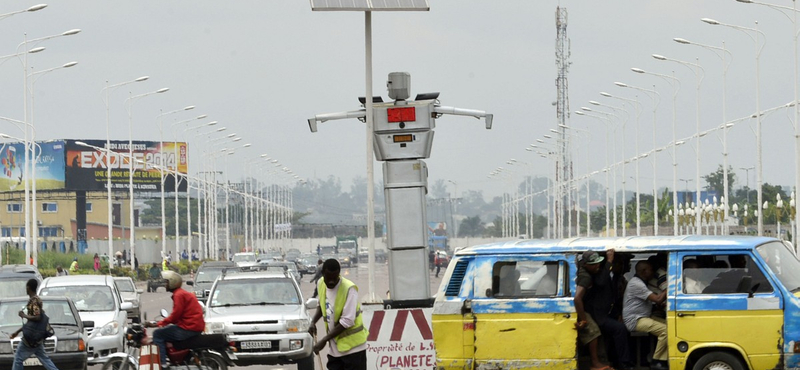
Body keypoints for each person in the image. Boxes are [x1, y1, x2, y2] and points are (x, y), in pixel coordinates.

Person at [575, 250, 632, 370]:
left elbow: (615, 297)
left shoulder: (616, 277)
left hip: (608, 312)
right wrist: (609, 261)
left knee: (623, 328)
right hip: (597, 315)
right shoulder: (595, 274)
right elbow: (600, 283)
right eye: (620, 263)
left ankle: (617, 361)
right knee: (619, 329)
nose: (624, 266)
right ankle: (625, 364)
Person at [309, 259, 369, 370]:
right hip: (335, 351)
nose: (331, 281)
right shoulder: (320, 283)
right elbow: (322, 305)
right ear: (322, 274)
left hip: (354, 349)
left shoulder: (349, 289)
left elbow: (347, 321)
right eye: (328, 278)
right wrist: (313, 322)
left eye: (335, 278)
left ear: (339, 274)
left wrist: (324, 340)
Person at [150, 270, 205, 369]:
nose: (164, 285)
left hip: (189, 327)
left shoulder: (178, 295)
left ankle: (162, 364)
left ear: (172, 282)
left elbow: (176, 314)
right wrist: (165, 322)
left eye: (166, 283)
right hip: (192, 325)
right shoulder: (181, 293)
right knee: (167, 330)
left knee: (157, 334)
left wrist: (161, 323)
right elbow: (178, 316)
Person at [622, 261, 668, 370]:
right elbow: (657, 299)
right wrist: (669, 287)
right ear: (644, 271)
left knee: (672, 325)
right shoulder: (636, 284)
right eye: (650, 270)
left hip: (644, 316)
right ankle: (658, 361)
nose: (652, 272)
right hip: (635, 320)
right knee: (665, 331)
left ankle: (664, 358)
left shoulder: (641, 282)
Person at [10, 279, 59, 370]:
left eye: (26, 287)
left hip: (31, 338)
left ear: (28, 287)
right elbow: (31, 323)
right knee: (45, 359)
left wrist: (23, 315)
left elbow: (38, 317)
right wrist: (17, 332)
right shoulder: (37, 300)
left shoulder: (34, 302)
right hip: (37, 337)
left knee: (18, 359)